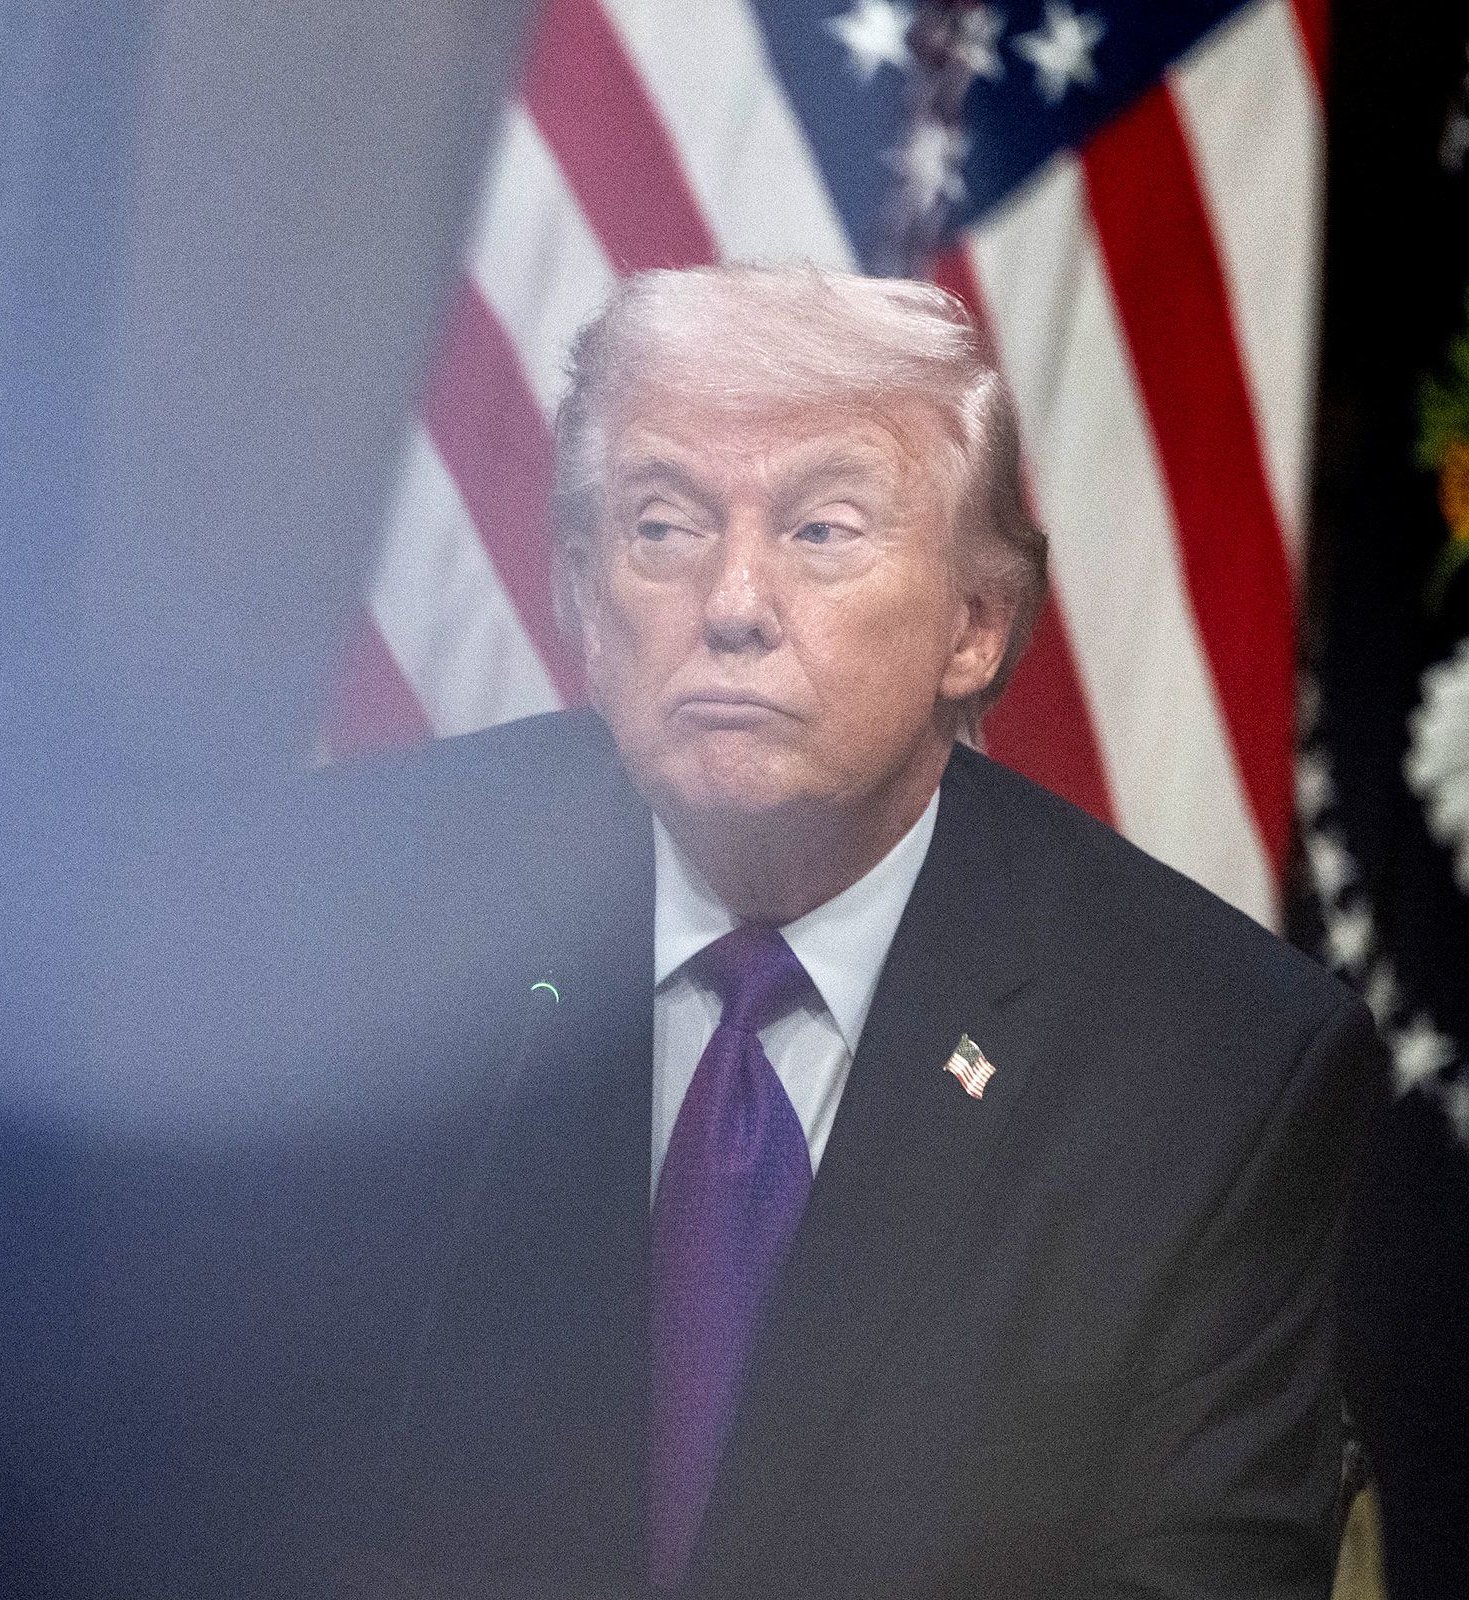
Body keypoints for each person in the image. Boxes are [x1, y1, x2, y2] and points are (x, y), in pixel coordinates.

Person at [281, 264, 1383, 1599]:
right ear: (579, 593)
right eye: (663, 525)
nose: (733, 602)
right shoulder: (341, 919)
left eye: (821, 530)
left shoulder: (1210, 1062)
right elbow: (209, 1486)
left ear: (974, 628)